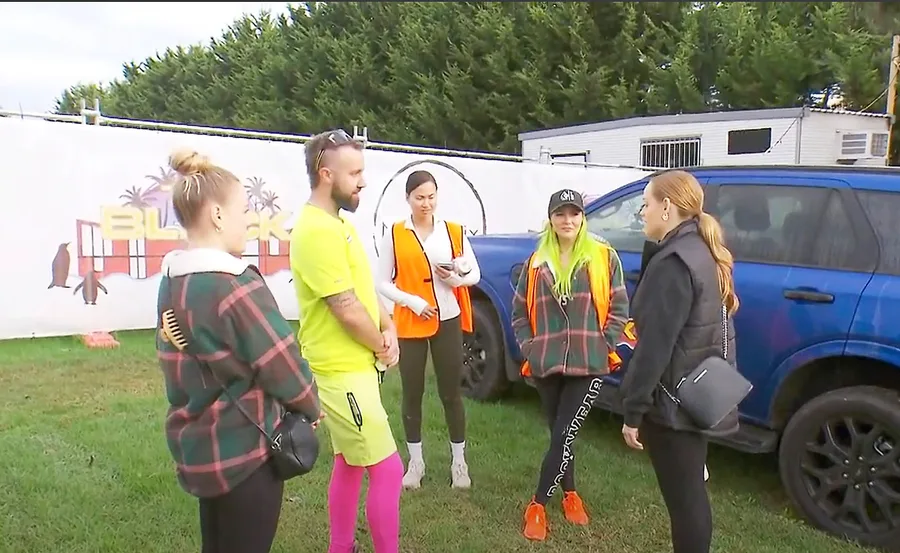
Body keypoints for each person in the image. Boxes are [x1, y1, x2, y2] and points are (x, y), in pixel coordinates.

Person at [155, 148, 323, 553]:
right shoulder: (234, 282)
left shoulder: (172, 282)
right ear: (216, 214)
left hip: (199, 448)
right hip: (246, 451)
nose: (249, 220)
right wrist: (311, 407)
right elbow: (281, 361)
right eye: (243, 209)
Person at [290, 129, 403, 553]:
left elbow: (364, 290)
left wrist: (388, 324)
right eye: (354, 172)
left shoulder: (341, 224)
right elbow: (345, 308)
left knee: (350, 463)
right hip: (340, 371)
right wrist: (381, 344)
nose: (363, 181)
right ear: (325, 174)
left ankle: (341, 548)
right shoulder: (315, 230)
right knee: (388, 470)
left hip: (356, 367)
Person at [619, 169, 740, 553]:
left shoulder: (675, 263)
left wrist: (633, 410)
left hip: (673, 403)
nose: (643, 214)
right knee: (691, 494)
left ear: (666, 207)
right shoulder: (698, 250)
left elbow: (654, 347)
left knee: (685, 502)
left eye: (646, 205)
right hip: (695, 392)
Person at [511, 188, 629, 542]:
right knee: (561, 435)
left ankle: (537, 504)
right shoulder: (537, 262)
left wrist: (604, 343)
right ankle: (571, 492)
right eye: (560, 214)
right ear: (551, 218)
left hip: (588, 362)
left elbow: (620, 306)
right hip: (546, 362)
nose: (567, 221)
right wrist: (529, 347)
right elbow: (519, 311)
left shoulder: (603, 257)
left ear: (583, 217)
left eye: (574, 214)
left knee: (564, 433)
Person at [375, 170, 481, 490]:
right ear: (408, 198)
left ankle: (458, 463)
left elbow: (473, 272)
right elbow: (381, 281)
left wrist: (455, 278)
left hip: (447, 318)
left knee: (451, 392)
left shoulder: (453, 231)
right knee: (412, 392)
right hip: (411, 321)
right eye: (419, 197)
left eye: (431, 197)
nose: (426, 203)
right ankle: (416, 462)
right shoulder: (394, 233)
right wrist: (411, 302)